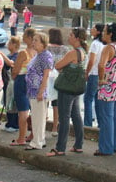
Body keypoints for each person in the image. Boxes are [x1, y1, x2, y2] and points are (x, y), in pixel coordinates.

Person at [46, 27, 87, 157]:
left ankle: (60, 147)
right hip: (76, 88)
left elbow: (57, 65)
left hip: (66, 88)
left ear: (77, 38)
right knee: (76, 116)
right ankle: (78, 144)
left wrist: (63, 68)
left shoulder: (72, 53)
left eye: (71, 35)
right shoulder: (83, 51)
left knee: (64, 118)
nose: (68, 37)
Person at [94, 22, 116, 156]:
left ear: (110, 34)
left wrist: (101, 79)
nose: (102, 33)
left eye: (104, 31)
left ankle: (106, 148)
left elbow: (101, 65)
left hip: (108, 87)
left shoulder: (108, 48)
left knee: (106, 118)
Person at [25, 32, 53, 150]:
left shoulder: (46, 56)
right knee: (37, 116)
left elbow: (46, 75)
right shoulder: (38, 54)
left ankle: (37, 142)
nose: (33, 42)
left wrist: (41, 91)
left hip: (38, 91)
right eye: (34, 40)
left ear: (43, 43)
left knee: (38, 117)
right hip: (33, 90)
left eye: (36, 40)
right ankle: (40, 139)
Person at [10, 28, 36, 146]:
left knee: (23, 111)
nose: (23, 37)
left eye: (25, 35)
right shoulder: (37, 52)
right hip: (33, 81)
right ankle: (33, 134)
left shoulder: (23, 53)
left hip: (21, 80)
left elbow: (15, 70)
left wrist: (13, 75)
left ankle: (21, 138)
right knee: (33, 110)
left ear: (29, 38)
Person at [47, 28, 69, 136]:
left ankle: (44, 122)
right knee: (56, 104)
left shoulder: (46, 48)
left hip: (47, 77)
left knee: (45, 102)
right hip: (59, 78)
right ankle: (55, 127)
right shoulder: (65, 49)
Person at [84, 23, 104, 127]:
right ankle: (100, 124)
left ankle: (87, 124)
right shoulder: (104, 44)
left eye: (94, 28)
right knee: (97, 100)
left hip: (94, 73)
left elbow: (91, 60)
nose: (91, 29)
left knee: (88, 99)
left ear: (98, 32)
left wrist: (87, 72)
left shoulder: (95, 44)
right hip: (100, 75)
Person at [2, 36, 20, 132]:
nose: (8, 45)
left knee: (12, 104)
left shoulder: (16, 56)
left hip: (12, 82)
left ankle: (14, 124)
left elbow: (11, 64)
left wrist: (2, 55)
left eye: (10, 43)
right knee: (7, 102)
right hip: (6, 82)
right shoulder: (9, 55)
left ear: (15, 45)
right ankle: (9, 122)